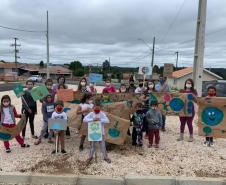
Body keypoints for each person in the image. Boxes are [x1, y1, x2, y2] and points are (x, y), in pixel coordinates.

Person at [83, 99, 111, 164]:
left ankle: (105, 157)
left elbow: (107, 120)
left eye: (98, 108)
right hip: (93, 132)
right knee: (92, 145)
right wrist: (92, 119)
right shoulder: (91, 114)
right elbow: (85, 119)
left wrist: (100, 119)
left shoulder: (102, 114)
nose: (97, 109)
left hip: (101, 132)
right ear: (93, 108)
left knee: (103, 145)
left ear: (100, 108)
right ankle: (90, 157)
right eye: (95, 108)